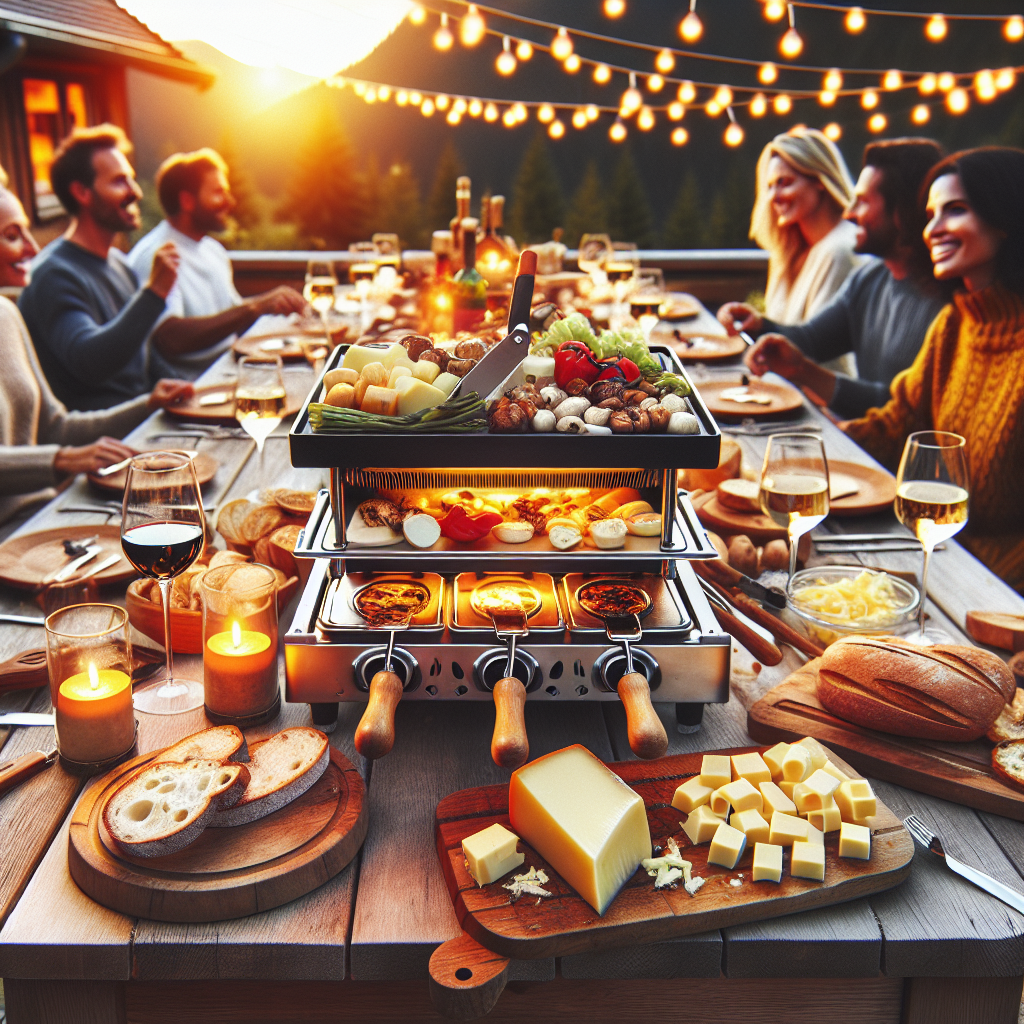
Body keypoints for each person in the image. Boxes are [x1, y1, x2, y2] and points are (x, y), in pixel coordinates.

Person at [843, 147, 1024, 592]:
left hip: (999, 589)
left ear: (1004, 218)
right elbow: (896, 425)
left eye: (955, 210)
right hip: (939, 561)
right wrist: (815, 452)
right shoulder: (955, 325)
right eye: (930, 214)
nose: (933, 229)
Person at [0, 170, 193, 525]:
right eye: (12, 236)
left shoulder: (6, 314)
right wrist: (61, 460)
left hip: (42, 515)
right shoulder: (53, 276)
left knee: (191, 520)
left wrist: (147, 403)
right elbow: (90, 362)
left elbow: (56, 427)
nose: (32, 248)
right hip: (13, 533)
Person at [719, 139, 946, 418]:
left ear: (901, 211)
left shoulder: (945, 304)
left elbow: (900, 408)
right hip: (859, 440)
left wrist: (804, 371)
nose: (849, 214)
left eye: (862, 203)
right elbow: (812, 338)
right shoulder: (869, 278)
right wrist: (758, 325)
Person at [18, 125, 179, 411]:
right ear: (81, 192)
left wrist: (190, 388)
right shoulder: (53, 274)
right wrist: (154, 293)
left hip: (147, 420)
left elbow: (145, 354)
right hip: (103, 441)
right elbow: (90, 362)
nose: (136, 192)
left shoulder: (120, 263)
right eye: (119, 182)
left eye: (131, 179)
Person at [127, 149, 306, 380]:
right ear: (187, 201)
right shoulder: (157, 255)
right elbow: (169, 338)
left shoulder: (213, 250)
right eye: (218, 193)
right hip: (194, 387)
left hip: (232, 369)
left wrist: (288, 323)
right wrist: (255, 307)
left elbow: (233, 318)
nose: (229, 203)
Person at [748, 126, 859, 328]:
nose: (773, 197)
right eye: (770, 186)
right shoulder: (787, 252)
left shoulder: (840, 251)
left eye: (784, 182)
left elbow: (823, 352)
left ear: (820, 180)